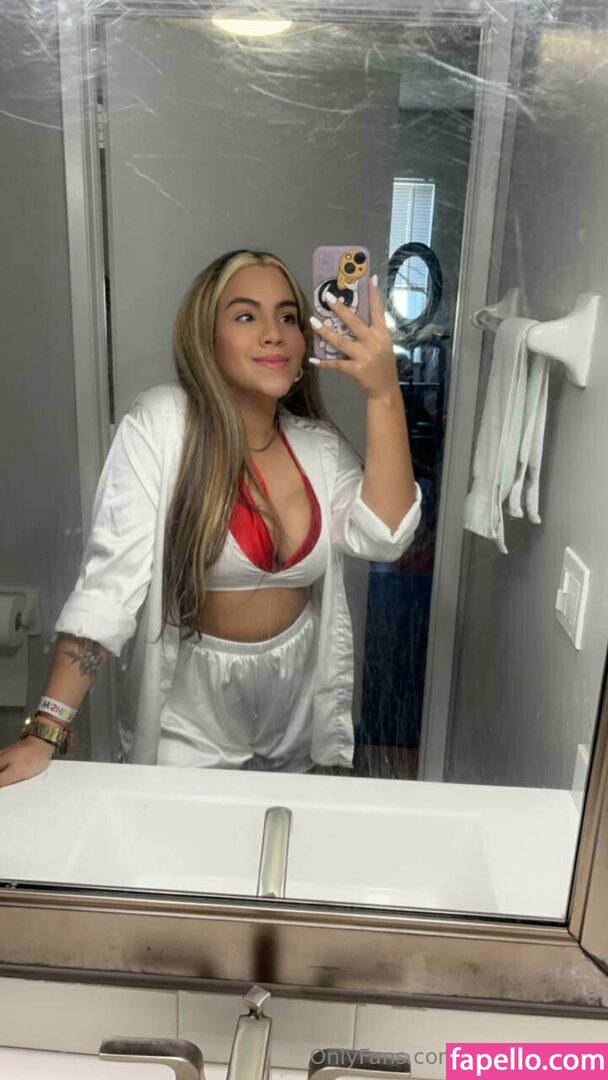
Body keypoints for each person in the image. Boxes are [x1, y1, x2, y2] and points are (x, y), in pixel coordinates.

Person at [0, 249, 421, 787]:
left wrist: (383, 394)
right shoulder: (162, 425)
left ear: (304, 344)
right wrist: (46, 731)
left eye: (288, 317)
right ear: (206, 339)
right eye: (246, 316)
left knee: (273, 833)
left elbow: (384, 536)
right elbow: (108, 587)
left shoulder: (318, 447)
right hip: (191, 711)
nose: (273, 334)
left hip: (293, 701)